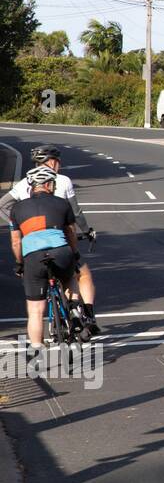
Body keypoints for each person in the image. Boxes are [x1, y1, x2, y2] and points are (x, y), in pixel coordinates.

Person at [0, 145, 99, 335]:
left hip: (30, 238)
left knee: (36, 299)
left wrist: (19, 223)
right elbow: (75, 213)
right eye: (58, 162)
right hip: (59, 235)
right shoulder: (62, 180)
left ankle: (40, 343)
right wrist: (87, 231)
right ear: (52, 162)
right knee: (81, 273)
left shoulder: (24, 182)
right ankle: (86, 315)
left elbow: (2, 205)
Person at [9, 166, 81, 355]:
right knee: (72, 276)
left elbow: (16, 242)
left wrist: (20, 264)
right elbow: (71, 233)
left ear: (31, 186)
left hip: (33, 257)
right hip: (61, 251)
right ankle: (74, 308)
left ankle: (37, 348)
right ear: (49, 184)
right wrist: (74, 254)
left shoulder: (16, 209)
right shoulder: (62, 204)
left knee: (35, 309)